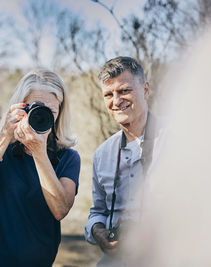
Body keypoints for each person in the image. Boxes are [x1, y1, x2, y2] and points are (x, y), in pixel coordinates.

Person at [0, 69, 81, 267]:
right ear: (19, 106)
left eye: (50, 112)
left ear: (60, 113)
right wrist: (4, 137)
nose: (41, 116)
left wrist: (39, 152)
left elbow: (60, 210)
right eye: (35, 108)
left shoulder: (68, 157)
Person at [84, 56, 163, 266]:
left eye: (124, 91)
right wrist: (98, 232)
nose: (116, 101)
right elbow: (97, 212)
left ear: (146, 90)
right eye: (109, 94)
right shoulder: (102, 154)